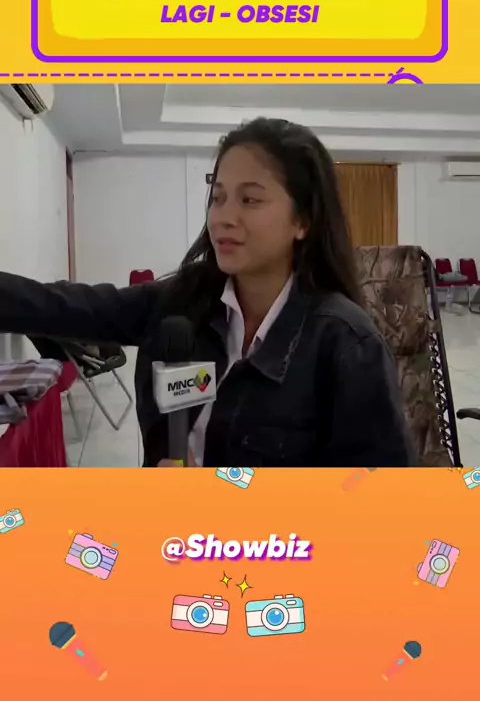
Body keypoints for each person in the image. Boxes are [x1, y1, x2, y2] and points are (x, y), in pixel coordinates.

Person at [0, 118, 416, 467]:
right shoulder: (183, 300)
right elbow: (63, 306)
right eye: (218, 197)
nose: (223, 218)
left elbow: (378, 505)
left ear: (302, 221)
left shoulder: (347, 344)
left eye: (250, 200)